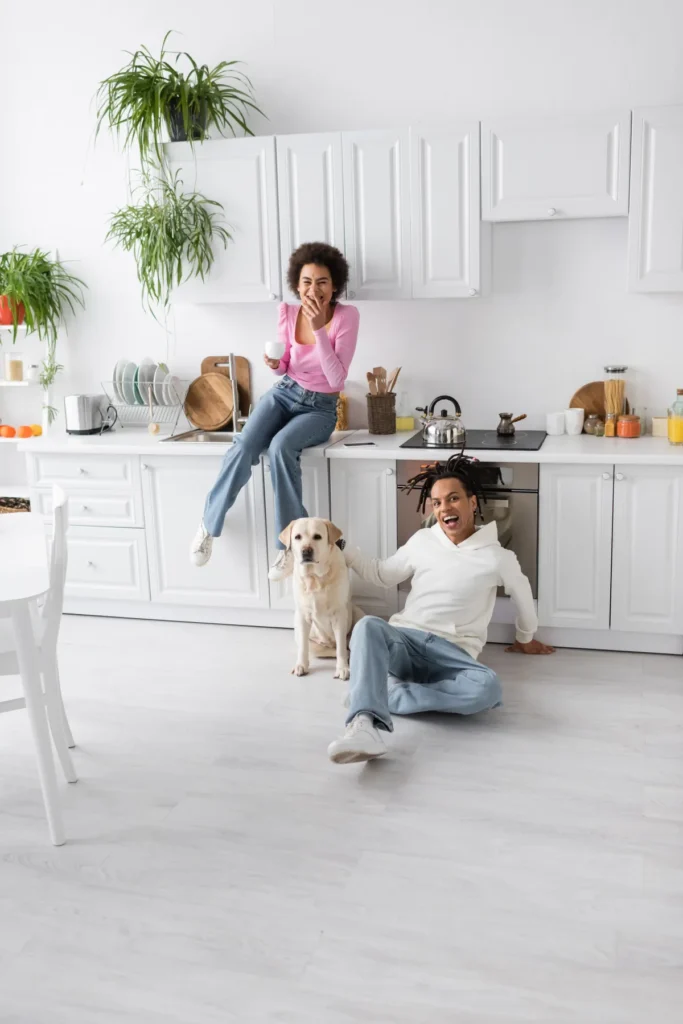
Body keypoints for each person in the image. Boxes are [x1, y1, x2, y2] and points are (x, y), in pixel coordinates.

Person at [327, 454, 555, 764]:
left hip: (454, 654)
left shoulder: (497, 556)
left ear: (472, 502)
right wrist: (345, 549)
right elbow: (382, 573)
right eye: (436, 503)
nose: (444, 508)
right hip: (406, 640)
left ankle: (380, 696)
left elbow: (523, 596)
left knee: (487, 689)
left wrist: (526, 637)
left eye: (453, 499)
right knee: (367, 626)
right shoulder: (423, 540)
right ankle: (363, 726)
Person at [191, 242, 359, 577]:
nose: (314, 289)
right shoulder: (287, 312)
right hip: (284, 394)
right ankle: (208, 526)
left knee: (282, 448)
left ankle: (286, 549)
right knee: (245, 444)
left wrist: (318, 330)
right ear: (297, 285)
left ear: (335, 285)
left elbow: (337, 377)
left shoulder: (346, 317)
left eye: (323, 281)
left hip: (321, 408)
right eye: (307, 281)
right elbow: (285, 367)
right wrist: (275, 363)